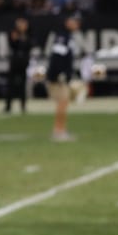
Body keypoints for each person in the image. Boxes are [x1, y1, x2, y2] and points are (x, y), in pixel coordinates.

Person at [46, 12, 81, 142]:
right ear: (68, 22)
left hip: (63, 76)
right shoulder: (62, 36)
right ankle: (58, 130)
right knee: (62, 102)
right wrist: (60, 74)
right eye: (75, 21)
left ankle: (61, 129)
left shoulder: (68, 36)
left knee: (64, 102)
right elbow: (57, 57)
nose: (77, 24)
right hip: (59, 77)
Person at [4, 16, 31, 114]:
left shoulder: (28, 34)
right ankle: (8, 106)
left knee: (22, 85)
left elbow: (29, 46)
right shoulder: (13, 33)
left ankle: (23, 106)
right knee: (10, 85)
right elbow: (13, 44)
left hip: (23, 63)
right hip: (15, 62)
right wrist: (17, 38)